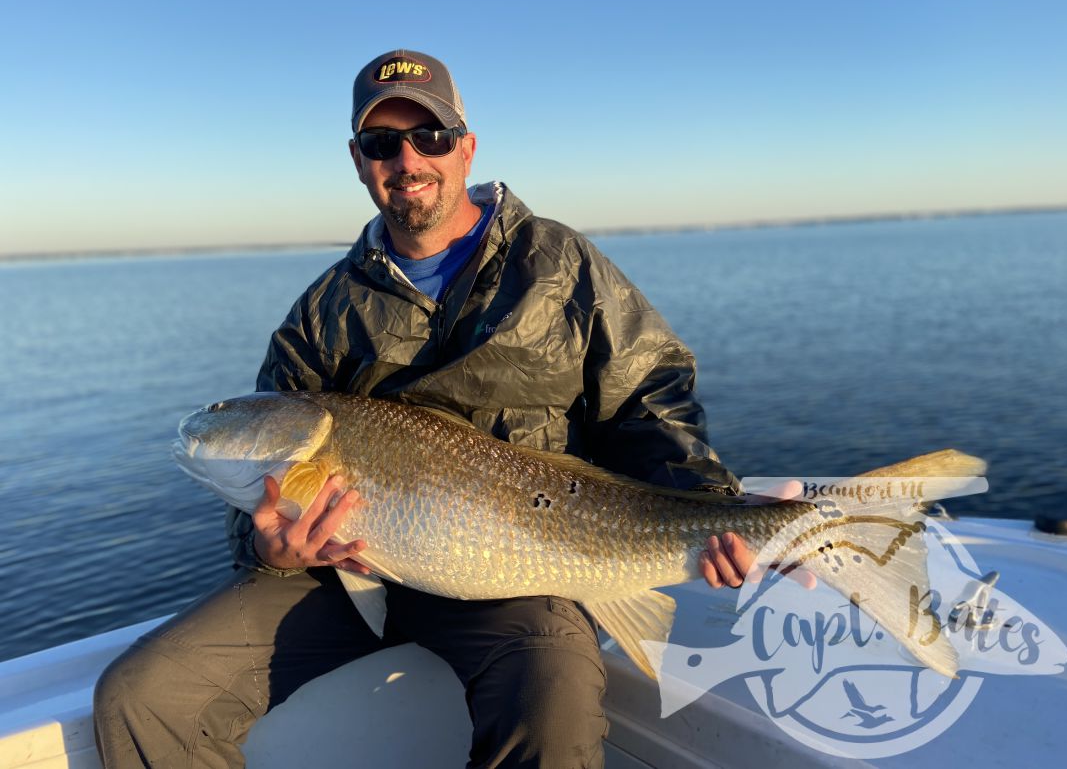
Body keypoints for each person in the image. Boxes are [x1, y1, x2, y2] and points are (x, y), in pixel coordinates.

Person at [94, 49, 797, 769]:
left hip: (522, 570)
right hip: (339, 577)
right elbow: (255, 510)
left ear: (466, 146)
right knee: (143, 696)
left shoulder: (557, 264)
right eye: (381, 142)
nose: (407, 158)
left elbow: (650, 397)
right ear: (359, 160)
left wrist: (711, 506)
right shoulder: (323, 313)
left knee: (549, 693)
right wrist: (270, 547)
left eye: (429, 135)